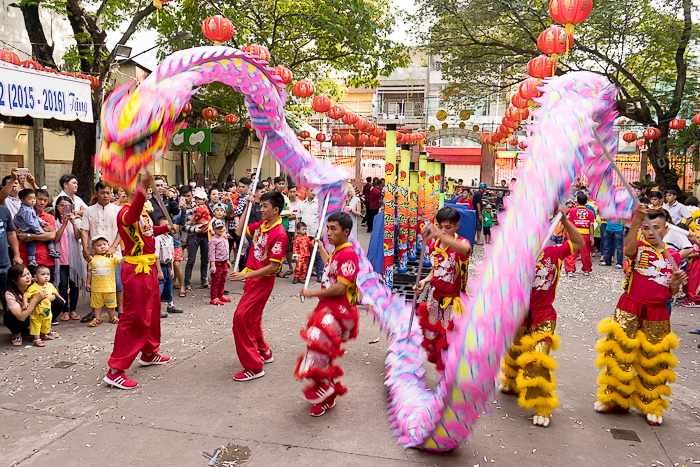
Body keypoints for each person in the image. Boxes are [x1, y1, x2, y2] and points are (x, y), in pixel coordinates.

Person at [594, 207, 684, 426]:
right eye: (646, 228)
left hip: (657, 311)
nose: (651, 232)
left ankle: (651, 403)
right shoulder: (639, 248)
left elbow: (672, 292)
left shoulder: (673, 257)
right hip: (630, 306)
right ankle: (615, 398)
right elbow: (628, 250)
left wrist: (675, 283)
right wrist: (634, 224)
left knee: (654, 359)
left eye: (656, 228)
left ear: (665, 229)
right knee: (620, 354)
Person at [500, 205, 584, 427]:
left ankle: (542, 405)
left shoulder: (554, 253)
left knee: (538, 358)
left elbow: (579, 243)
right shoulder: (514, 258)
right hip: (518, 315)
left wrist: (565, 220)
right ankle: (510, 379)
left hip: (544, 316)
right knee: (516, 349)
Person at [103, 173, 177, 390]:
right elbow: (134, 213)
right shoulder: (125, 213)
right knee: (134, 318)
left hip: (148, 268)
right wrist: (144, 190)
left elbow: (147, 231)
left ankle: (149, 352)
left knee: (153, 312)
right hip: (136, 270)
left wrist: (165, 229)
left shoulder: (142, 213)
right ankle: (115, 369)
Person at [297, 212, 360, 416]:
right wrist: (323, 249)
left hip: (340, 311)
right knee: (319, 351)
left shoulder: (348, 254)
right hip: (328, 309)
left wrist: (312, 292)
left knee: (317, 348)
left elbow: (341, 288)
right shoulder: (337, 251)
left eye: (334, 229)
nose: (329, 232)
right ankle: (327, 393)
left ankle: (326, 391)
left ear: (346, 232)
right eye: (328, 228)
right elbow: (331, 268)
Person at [229, 191, 287, 382]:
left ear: (276, 210)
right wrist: (248, 205)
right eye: (260, 206)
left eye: (264, 206)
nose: (260, 209)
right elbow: (239, 230)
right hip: (252, 278)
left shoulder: (279, 233)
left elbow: (273, 267)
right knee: (252, 319)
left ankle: (254, 367)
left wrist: (244, 275)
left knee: (240, 318)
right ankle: (264, 351)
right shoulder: (262, 226)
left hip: (261, 281)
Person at [414, 206, 471, 372]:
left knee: (452, 342)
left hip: (454, 302)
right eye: (440, 227)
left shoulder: (461, 243)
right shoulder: (434, 246)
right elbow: (436, 270)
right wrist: (424, 281)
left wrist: (438, 234)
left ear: (457, 227)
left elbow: (465, 250)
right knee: (432, 337)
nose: (444, 231)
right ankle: (440, 370)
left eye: (448, 227)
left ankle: (450, 377)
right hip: (435, 298)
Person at [80, 181, 123, 315]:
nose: (105, 196)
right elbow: (84, 231)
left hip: (113, 252)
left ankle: (120, 311)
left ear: (112, 194)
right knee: (95, 282)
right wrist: (85, 249)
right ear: (96, 193)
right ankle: (95, 312)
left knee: (117, 283)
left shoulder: (118, 210)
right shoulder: (89, 210)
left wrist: (113, 246)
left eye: (108, 193)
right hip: (95, 253)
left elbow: (122, 230)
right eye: (102, 193)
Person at [4, 265, 49, 346]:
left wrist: (48, 297)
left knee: (58, 302)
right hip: (23, 320)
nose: (28, 277)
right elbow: (21, 317)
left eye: (28, 274)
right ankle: (17, 334)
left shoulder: (36, 283)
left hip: (38, 315)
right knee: (8, 316)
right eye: (23, 276)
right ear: (14, 280)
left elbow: (51, 295)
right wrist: (35, 299)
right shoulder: (10, 294)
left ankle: (44, 329)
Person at [14, 189, 59, 266]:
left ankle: (51, 250)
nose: (42, 203)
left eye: (45, 200)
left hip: (46, 260)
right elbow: (20, 236)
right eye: (40, 199)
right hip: (25, 261)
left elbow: (51, 236)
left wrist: (29, 236)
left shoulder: (49, 217)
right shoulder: (19, 217)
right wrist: (42, 234)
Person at [86, 236, 123, 326]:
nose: (102, 246)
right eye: (99, 245)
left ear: (108, 245)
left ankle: (112, 316)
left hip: (109, 287)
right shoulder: (92, 259)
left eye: (104, 244)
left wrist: (127, 257)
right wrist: (87, 282)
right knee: (97, 305)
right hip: (96, 288)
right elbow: (89, 272)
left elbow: (120, 261)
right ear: (93, 248)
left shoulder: (112, 256)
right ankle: (97, 318)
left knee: (111, 304)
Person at [154, 216, 182, 317]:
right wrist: (159, 271)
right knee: (159, 288)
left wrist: (172, 269)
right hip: (160, 266)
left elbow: (171, 254)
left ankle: (170, 305)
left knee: (169, 287)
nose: (166, 227)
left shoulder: (170, 238)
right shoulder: (157, 239)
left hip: (168, 265)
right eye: (163, 225)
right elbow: (156, 256)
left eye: (168, 225)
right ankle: (157, 309)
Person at [25, 264, 59, 346]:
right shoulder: (33, 287)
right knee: (36, 325)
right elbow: (26, 295)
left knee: (46, 323)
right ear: (35, 276)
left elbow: (55, 291)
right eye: (43, 274)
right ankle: (36, 339)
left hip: (47, 311)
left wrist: (61, 298)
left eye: (48, 274)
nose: (46, 276)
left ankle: (44, 335)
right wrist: (25, 303)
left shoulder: (50, 285)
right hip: (36, 312)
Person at [185, 187, 211, 290]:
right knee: (191, 260)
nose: (196, 200)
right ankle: (187, 282)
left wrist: (192, 222)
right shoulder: (184, 208)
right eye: (196, 198)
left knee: (205, 259)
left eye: (199, 198)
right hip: (194, 235)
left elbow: (195, 219)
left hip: (204, 234)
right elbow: (184, 226)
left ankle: (204, 280)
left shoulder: (201, 207)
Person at [564, 193, 594, 277]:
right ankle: (587, 269)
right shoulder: (590, 212)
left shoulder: (572, 211)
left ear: (576, 201)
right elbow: (591, 225)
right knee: (586, 253)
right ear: (586, 201)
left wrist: (565, 233)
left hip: (573, 234)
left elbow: (568, 223)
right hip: (585, 234)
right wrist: (592, 237)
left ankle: (570, 270)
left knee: (571, 252)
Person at [300, 188, 322, 281]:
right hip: (304, 233)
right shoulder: (302, 204)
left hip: (315, 232)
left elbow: (322, 218)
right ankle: (305, 274)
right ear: (307, 191)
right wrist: (298, 232)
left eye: (314, 190)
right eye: (311, 190)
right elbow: (298, 218)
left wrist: (319, 231)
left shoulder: (319, 203)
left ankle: (320, 274)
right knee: (305, 254)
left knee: (318, 253)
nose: (313, 192)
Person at [208, 218, 231, 306]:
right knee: (216, 281)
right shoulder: (213, 241)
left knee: (222, 280)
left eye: (221, 227)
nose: (220, 229)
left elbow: (225, 250)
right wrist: (213, 265)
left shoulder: (224, 238)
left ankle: (220, 295)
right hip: (217, 263)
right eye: (218, 228)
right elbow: (211, 253)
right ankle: (214, 297)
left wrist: (227, 260)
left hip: (224, 262)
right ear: (214, 229)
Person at [283, 185, 301, 277]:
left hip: (298, 229)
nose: (293, 194)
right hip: (287, 228)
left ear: (297, 192)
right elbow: (282, 214)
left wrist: (289, 215)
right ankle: (290, 267)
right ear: (288, 193)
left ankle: (299, 268)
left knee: (298, 250)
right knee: (287, 249)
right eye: (291, 192)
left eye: (294, 192)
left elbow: (298, 216)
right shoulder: (286, 203)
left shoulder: (301, 203)